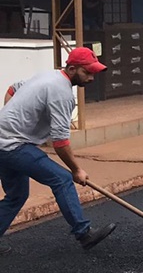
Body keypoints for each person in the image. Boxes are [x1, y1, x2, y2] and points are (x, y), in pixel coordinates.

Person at [0, 48, 116, 256]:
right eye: (87, 73)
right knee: (62, 179)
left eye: (93, 73)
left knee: (17, 194)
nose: (91, 78)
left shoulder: (49, 75)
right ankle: (84, 234)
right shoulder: (61, 94)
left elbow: (12, 88)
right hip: (13, 146)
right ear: (72, 68)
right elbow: (60, 143)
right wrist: (76, 170)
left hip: (4, 141)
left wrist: (8, 119)